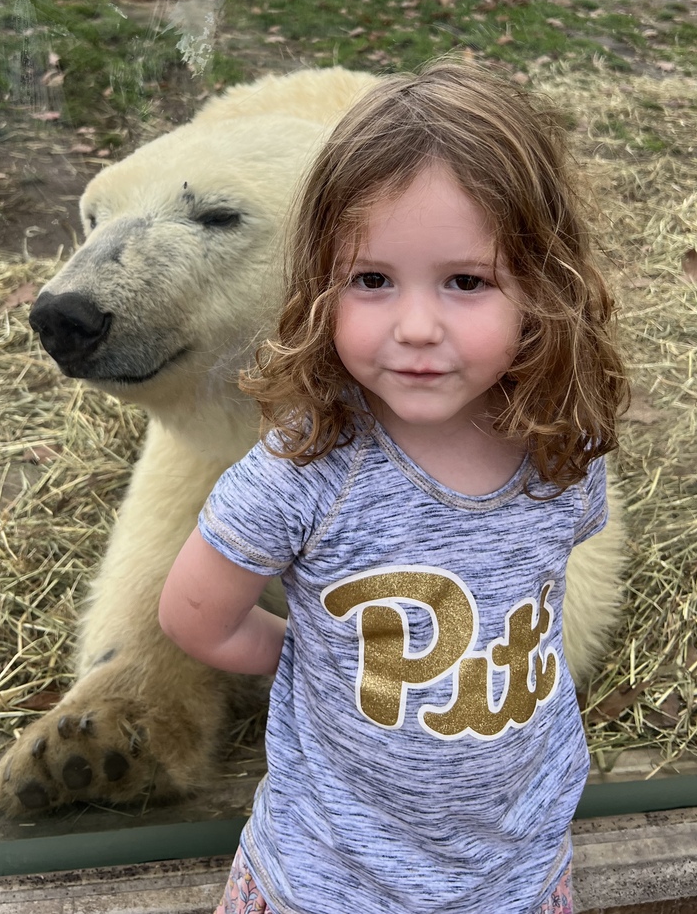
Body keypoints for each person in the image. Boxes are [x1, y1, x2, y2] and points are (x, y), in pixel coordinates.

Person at [159, 62, 628, 914]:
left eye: (467, 280)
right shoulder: (304, 470)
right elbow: (193, 613)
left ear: (542, 289)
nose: (415, 326)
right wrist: (316, 663)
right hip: (331, 883)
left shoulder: (563, 451)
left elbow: (541, 591)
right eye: (372, 280)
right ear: (317, 288)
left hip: (515, 870)